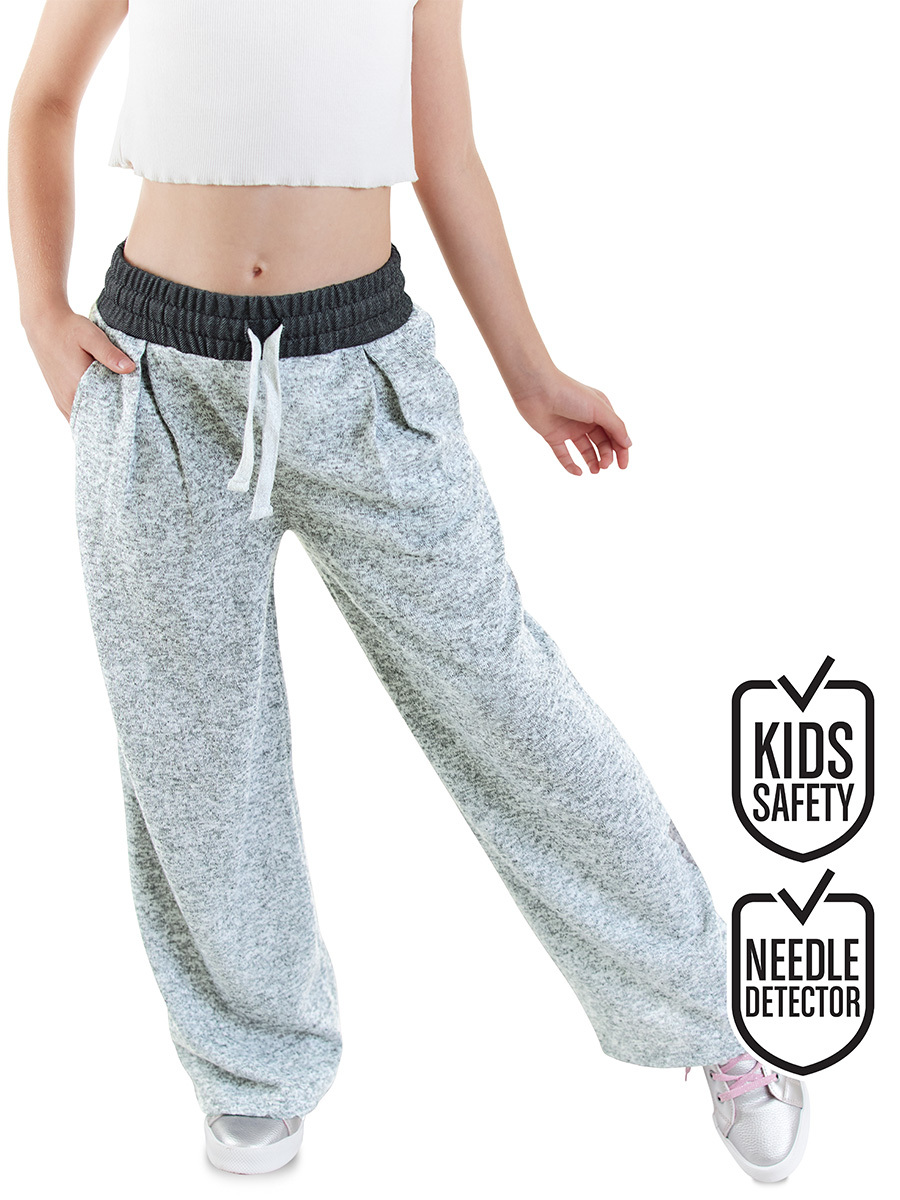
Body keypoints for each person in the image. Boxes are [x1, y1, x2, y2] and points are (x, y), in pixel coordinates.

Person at [9, 0, 809, 1182]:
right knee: (195, 754)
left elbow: (445, 153)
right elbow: (43, 98)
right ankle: (252, 1071)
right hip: (160, 379)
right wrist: (40, 308)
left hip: (364, 376)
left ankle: (707, 1018)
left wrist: (531, 373)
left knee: (506, 700)